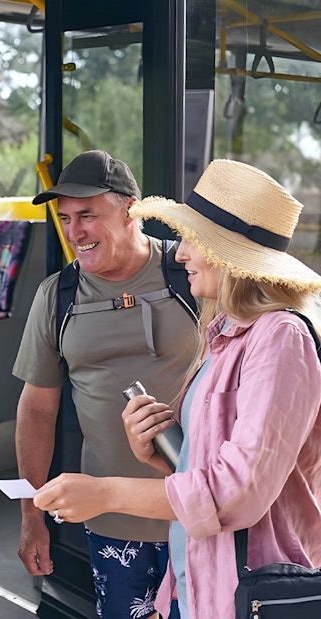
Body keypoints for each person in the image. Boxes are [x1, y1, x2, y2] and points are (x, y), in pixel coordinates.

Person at [32, 158, 321, 619]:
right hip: (200, 581)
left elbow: (235, 492)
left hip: (249, 589)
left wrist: (104, 493)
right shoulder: (224, 331)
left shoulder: (281, 338)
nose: (180, 253)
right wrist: (160, 453)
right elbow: (212, 468)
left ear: (232, 257)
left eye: (191, 240)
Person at [13, 150, 198, 619]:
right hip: (112, 521)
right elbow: (37, 410)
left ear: (130, 208)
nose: (75, 232)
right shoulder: (57, 295)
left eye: (88, 215)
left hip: (201, 513)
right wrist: (32, 515)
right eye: (66, 218)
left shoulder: (191, 273)